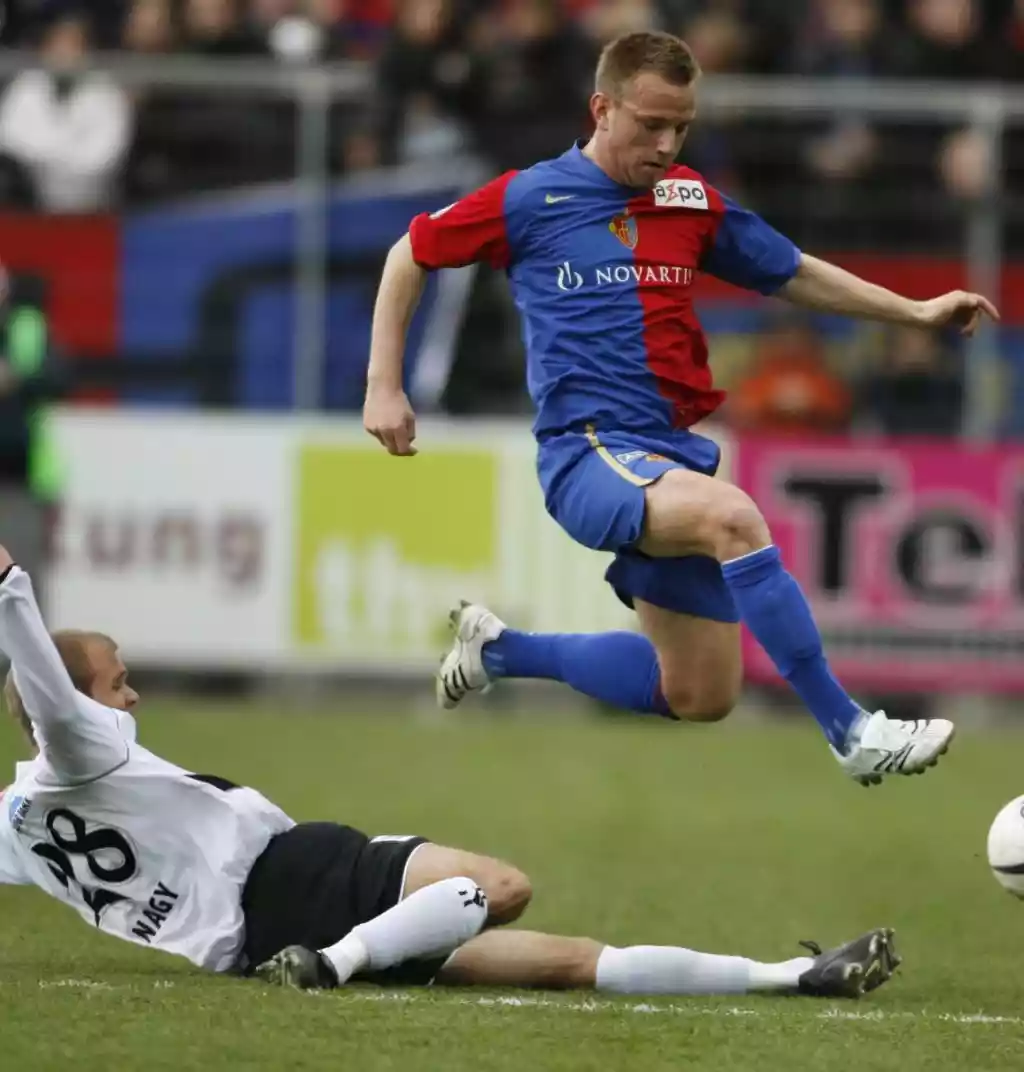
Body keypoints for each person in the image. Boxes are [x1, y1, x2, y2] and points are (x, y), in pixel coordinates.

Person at [362, 29, 1000, 786]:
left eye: (682, 127)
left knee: (698, 693)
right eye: (651, 124)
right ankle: (851, 729)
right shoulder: (531, 197)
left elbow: (793, 272)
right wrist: (384, 385)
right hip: (588, 452)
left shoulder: (687, 198)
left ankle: (500, 651)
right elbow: (410, 253)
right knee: (733, 518)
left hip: (670, 454)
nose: (666, 144)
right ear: (602, 109)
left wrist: (915, 312)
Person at [0, 544, 898, 999]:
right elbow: (35, 653)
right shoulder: (80, 741)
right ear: (71, 702)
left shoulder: (17, 819)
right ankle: (333, 965)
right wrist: (8, 580)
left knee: (567, 965)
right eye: (117, 683)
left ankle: (789, 979)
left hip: (250, 940)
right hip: (289, 877)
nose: (131, 697)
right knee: (497, 888)